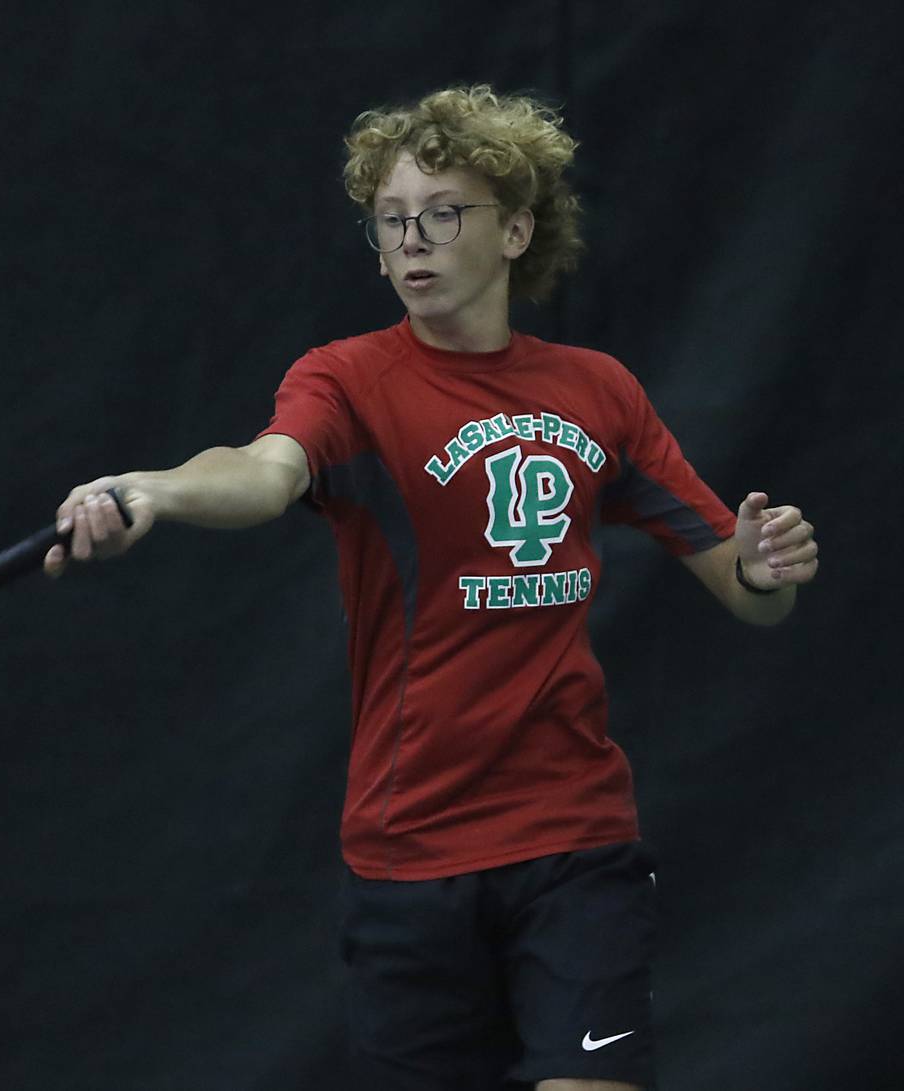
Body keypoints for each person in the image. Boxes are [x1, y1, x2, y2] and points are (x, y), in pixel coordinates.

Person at [42, 85, 819, 1090]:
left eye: (445, 213)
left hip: (573, 840)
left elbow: (750, 590)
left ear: (517, 230)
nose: (414, 239)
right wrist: (152, 487)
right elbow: (262, 469)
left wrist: (763, 566)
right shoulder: (347, 381)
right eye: (393, 220)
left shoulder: (600, 392)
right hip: (409, 856)